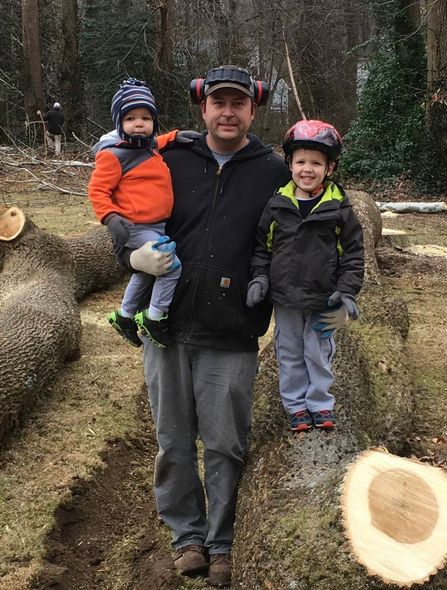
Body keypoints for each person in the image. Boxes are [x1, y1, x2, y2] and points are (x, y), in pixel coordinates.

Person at [110, 65, 291, 587]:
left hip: (232, 331)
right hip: (164, 327)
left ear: (253, 109)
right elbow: (118, 208)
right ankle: (186, 537)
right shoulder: (167, 157)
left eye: (238, 104)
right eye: (219, 103)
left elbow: (299, 237)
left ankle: (223, 541)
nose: (228, 112)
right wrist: (129, 251)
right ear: (203, 107)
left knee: (225, 443)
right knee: (172, 440)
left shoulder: (272, 170)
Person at [246, 119, 364, 432]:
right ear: (290, 164)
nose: (307, 169)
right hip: (285, 298)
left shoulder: (339, 209)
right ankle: (296, 406)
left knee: (318, 351)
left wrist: (348, 292)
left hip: (324, 298)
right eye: (300, 162)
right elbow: (262, 248)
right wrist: (259, 278)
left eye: (316, 163)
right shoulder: (277, 205)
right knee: (289, 352)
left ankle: (320, 403)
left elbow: (352, 255)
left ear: (330, 168)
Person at [88, 78, 181, 348]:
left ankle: (125, 315)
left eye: (145, 117)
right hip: (135, 227)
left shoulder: (148, 146)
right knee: (171, 267)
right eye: (130, 118)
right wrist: (110, 217)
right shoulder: (113, 155)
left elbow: (158, 142)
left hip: (156, 226)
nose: (139, 123)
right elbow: (97, 190)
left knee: (145, 271)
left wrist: (175, 137)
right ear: (119, 123)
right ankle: (154, 318)